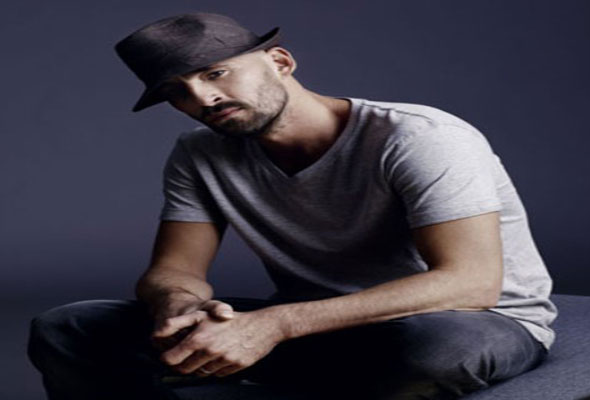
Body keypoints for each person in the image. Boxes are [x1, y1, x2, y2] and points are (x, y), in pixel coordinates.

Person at [27, 12, 557, 400]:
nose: (202, 99)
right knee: (68, 326)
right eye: (177, 91)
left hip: (465, 321)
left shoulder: (419, 137)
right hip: (317, 329)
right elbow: (174, 270)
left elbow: (470, 283)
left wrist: (274, 325)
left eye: (214, 73)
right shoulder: (199, 153)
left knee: (434, 351)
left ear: (279, 61)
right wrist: (181, 308)